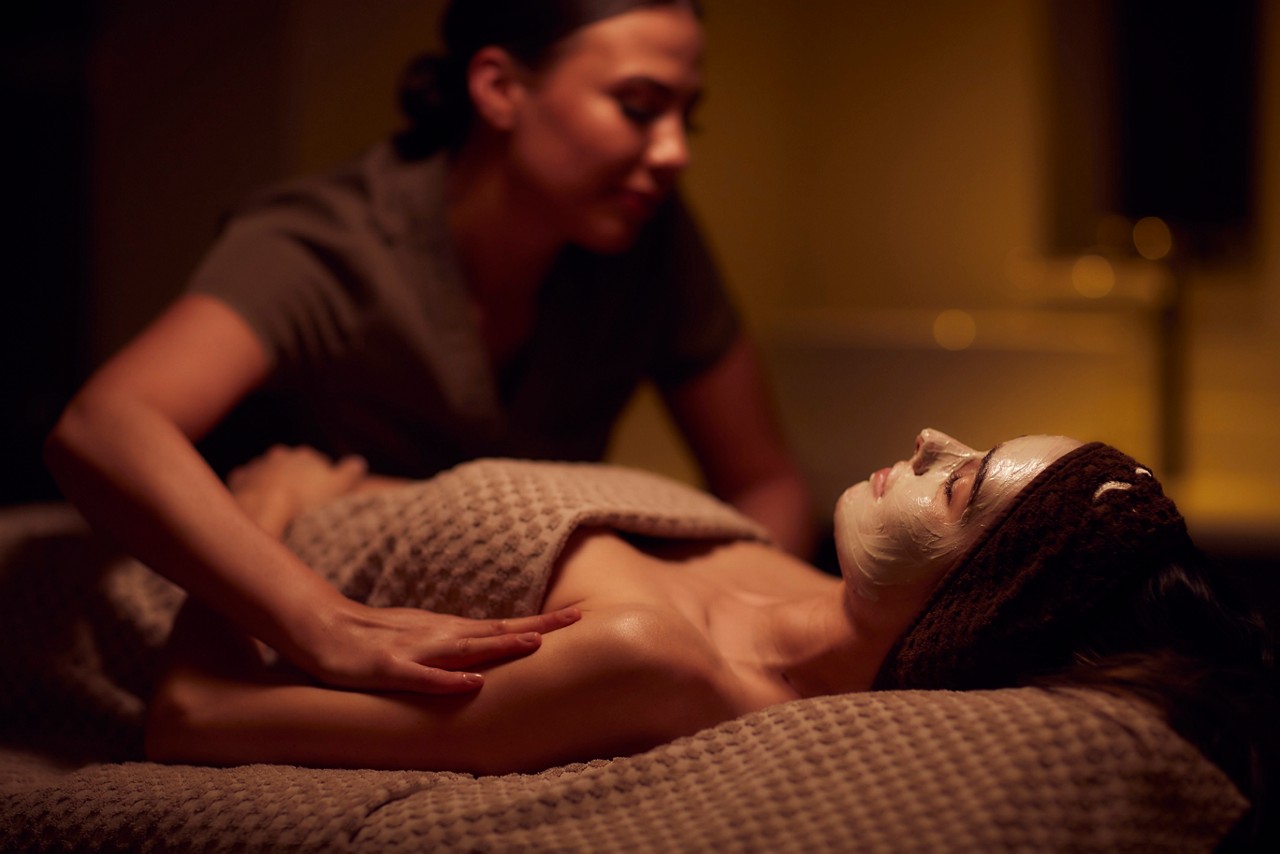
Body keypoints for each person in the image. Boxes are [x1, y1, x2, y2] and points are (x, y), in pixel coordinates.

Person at [43, 0, 814, 698]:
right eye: (639, 107)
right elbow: (104, 424)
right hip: (274, 606)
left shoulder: (649, 242)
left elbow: (765, 480)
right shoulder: (326, 247)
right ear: (499, 89)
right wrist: (324, 624)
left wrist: (741, 623)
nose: (675, 151)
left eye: (689, 117)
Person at [144, 428, 1273, 844]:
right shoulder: (786, 575)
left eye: (961, 485)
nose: (930, 439)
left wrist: (265, 512)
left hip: (170, 580)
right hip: (212, 519)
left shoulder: (654, 663)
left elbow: (190, 718)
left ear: (973, 601)